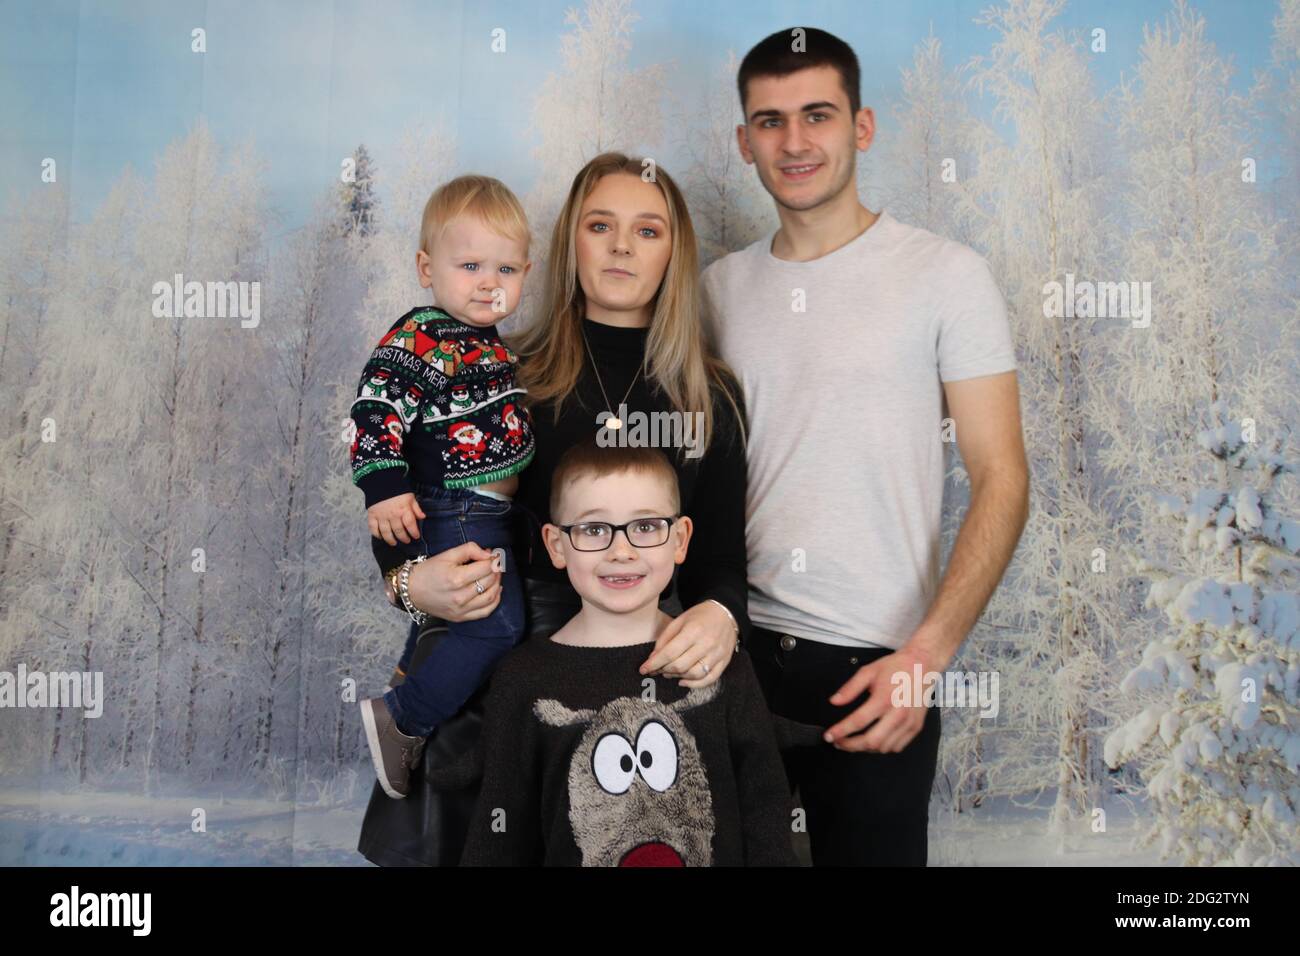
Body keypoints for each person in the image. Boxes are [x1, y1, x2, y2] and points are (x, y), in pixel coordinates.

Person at [357, 153, 752, 866]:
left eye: (648, 230)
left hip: (652, 670)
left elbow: (722, 558)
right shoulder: (509, 375)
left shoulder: (708, 395)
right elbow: (415, 498)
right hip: (505, 655)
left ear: (676, 250)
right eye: (601, 225)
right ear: (569, 241)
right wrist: (412, 583)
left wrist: (722, 614)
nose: (623, 247)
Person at [699, 27, 1029, 865]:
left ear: (863, 125)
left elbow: (1002, 479)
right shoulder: (716, 291)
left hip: (880, 670)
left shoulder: (946, 276)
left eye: (817, 114)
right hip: (732, 659)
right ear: (744, 141)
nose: (795, 141)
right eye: (769, 121)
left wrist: (926, 656)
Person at [460, 441, 796, 866]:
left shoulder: (717, 662)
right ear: (557, 545)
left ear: (680, 539)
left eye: (646, 526)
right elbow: (499, 839)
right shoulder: (523, 678)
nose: (622, 551)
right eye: (594, 529)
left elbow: (765, 810)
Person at [348, 174, 535, 799]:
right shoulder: (422, 336)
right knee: (495, 625)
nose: (490, 281)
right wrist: (385, 487)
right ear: (428, 268)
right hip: (456, 508)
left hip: (481, 512)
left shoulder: (489, 344)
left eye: (507, 268)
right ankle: (404, 718)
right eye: (471, 264)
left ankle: (411, 673)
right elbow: (376, 408)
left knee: (451, 620)